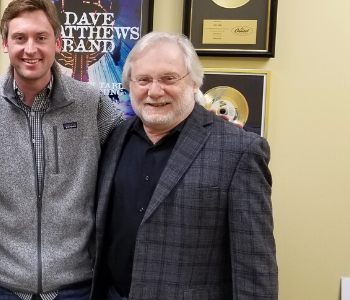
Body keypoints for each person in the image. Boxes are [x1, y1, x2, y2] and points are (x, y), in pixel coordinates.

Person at [91, 32, 277, 300]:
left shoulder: (239, 151)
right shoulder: (114, 138)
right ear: (129, 84)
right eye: (143, 80)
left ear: (193, 83)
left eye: (168, 79)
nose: (154, 91)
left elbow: (255, 267)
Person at [0, 0, 122, 300]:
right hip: (3, 284)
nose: (30, 49)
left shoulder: (90, 103)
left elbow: (137, 145)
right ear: (5, 44)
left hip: (75, 285)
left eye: (41, 37)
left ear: (58, 44)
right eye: (19, 38)